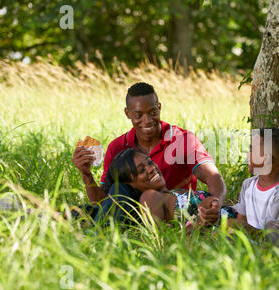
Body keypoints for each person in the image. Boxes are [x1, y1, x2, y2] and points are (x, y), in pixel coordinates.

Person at [72, 82, 225, 225]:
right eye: (138, 115)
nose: (147, 120)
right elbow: (105, 201)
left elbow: (213, 177)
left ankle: (87, 223)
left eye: (152, 112)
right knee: (117, 191)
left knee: (86, 212)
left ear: (159, 107)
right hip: (131, 217)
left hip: (171, 213)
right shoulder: (118, 147)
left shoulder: (182, 140)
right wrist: (86, 174)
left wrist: (214, 205)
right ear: (127, 113)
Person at [92, 148, 237, 229]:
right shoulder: (149, 197)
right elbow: (160, 240)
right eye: (141, 170)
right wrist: (200, 222)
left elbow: (215, 178)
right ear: (131, 185)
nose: (150, 169)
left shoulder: (173, 193)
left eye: (149, 162)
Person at [226, 128, 279, 246]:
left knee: (270, 228)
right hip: (258, 239)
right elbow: (241, 219)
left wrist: (242, 226)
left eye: (252, 150)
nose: (248, 154)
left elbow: (273, 235)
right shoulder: (248, 185)